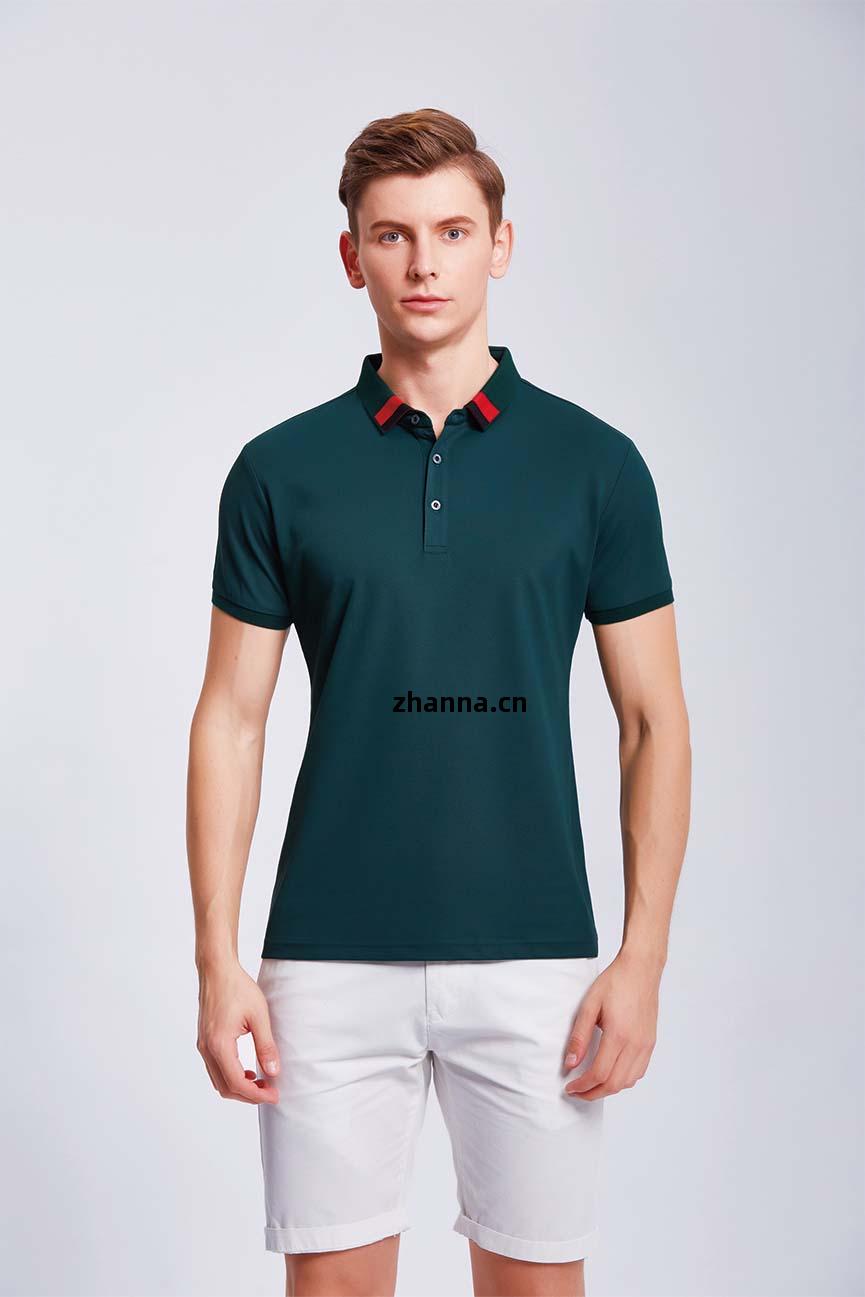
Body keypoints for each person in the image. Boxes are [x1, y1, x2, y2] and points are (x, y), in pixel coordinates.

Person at [187, 107, 691, 1297]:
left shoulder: (595, 466)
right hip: (325, 960)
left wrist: (643, 958)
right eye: (394, 235)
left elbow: (652, 722)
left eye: (453, 232)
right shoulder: (279, 471)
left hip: (535, 957)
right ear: (351, 255)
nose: (424, 263)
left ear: (499, 246)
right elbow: (231, 719)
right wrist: (217, 959)